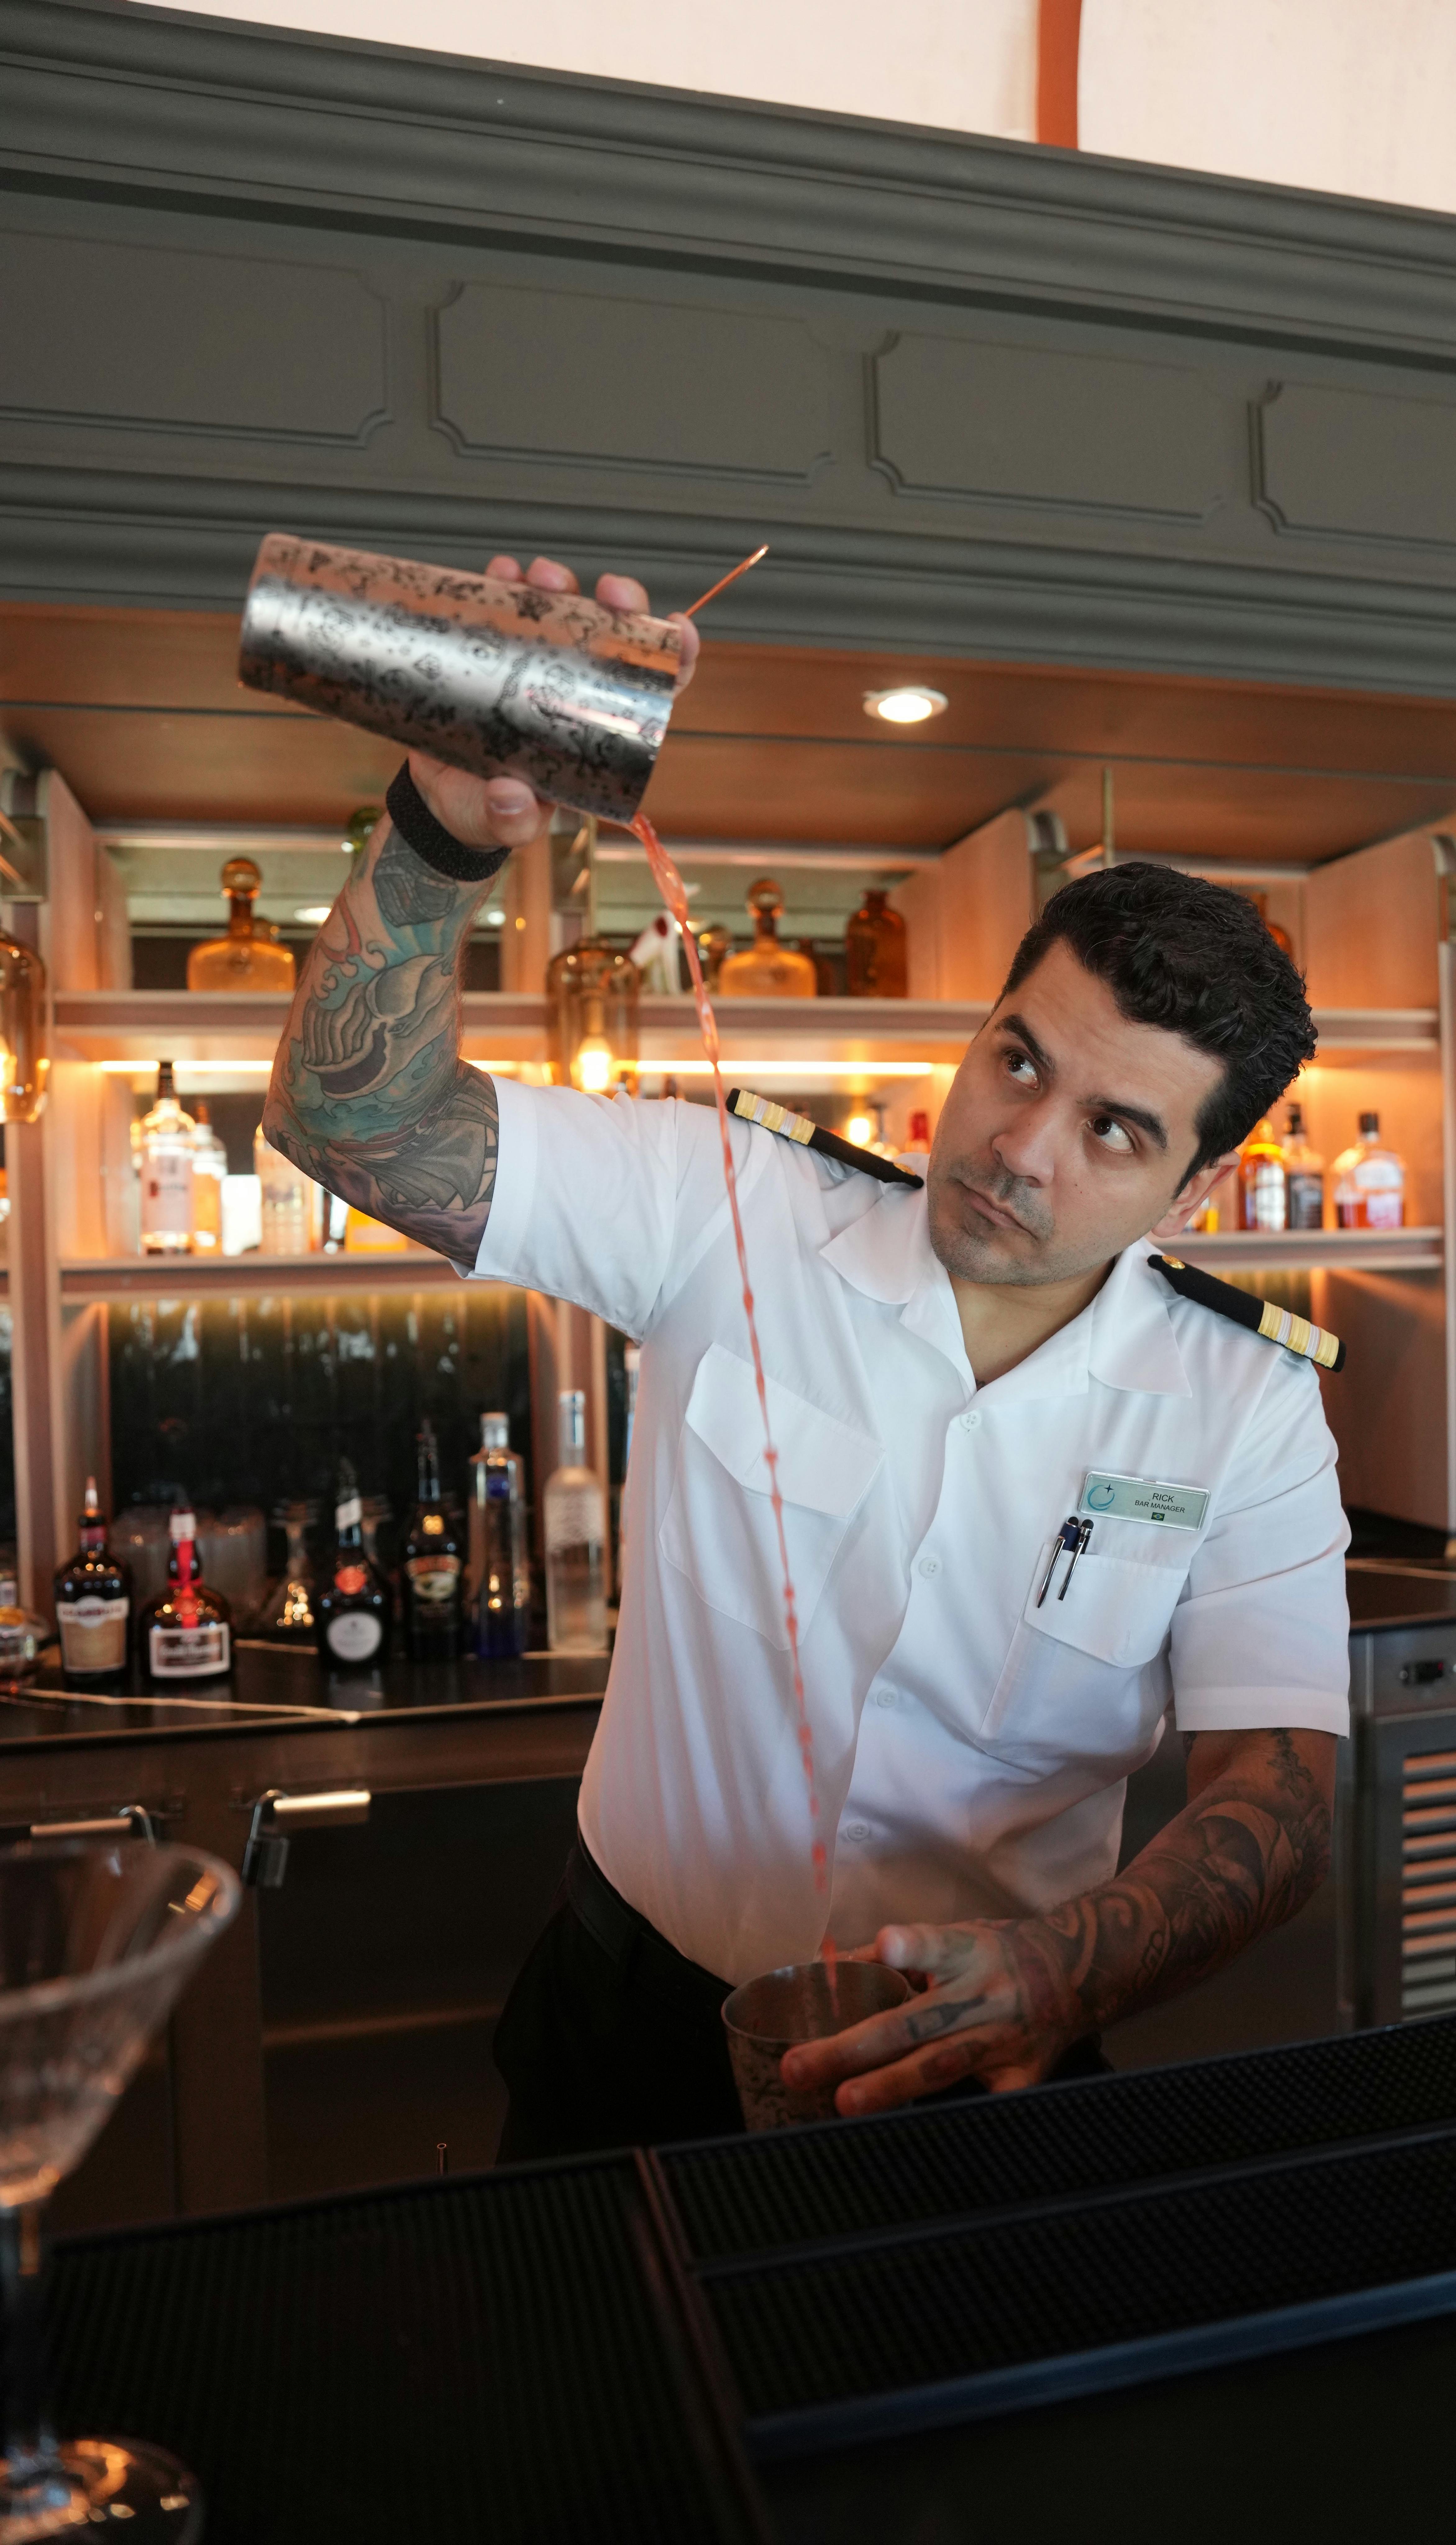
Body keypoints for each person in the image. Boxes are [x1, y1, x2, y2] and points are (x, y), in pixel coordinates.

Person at [264, 551, 1348, 2153]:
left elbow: (1281, 1788)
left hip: (993, 2063)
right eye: (1017, 1060)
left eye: (1113, 1129)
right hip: (624, 2035)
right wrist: (437, 832)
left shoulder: (1244, 1405)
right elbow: (354, 1126)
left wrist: (1057, 1974)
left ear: (1198, 1187)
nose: (1021, 1145)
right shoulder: (735, 1203)